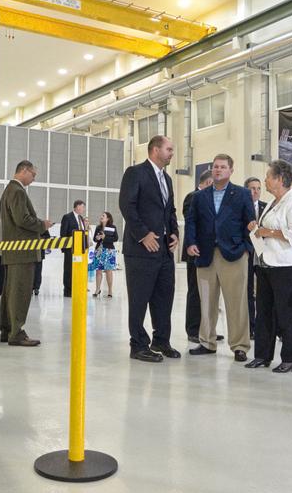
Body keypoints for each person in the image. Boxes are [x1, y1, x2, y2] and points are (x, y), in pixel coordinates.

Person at [185, 154, 257, 362]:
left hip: (234, 254)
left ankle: (240, 346)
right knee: (206, 301)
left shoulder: (242, 194)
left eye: (223, 167)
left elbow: (250, 222)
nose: (218, 170)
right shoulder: (199, 197)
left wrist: (245, 248)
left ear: (231, 171)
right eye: (215, 167)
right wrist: (190, 243)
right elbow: (191, 222)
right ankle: (207, 342)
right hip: (205, 255)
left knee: (236, 302)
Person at [118, 136, 181, 363]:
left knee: (164, 297)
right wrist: (143, 234)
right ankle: (138, 345)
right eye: (169, 149)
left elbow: (170, 210)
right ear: (155, 150)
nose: (172, 153)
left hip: (163, 249)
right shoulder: (135, 173)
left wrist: (174, 233)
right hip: (140, 249)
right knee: (139, 298)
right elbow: (127, 205)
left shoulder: (167, 179)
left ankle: (161, 341)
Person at [246, 159, 292, 372]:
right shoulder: (272, 202)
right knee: (263, 312)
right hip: (266, 263)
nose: (264, 180)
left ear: (280, 179)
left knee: (287, 313)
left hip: (287, 265)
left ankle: (290, 359)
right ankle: (262, 355)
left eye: (268, 176)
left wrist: (267, 232)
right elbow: (265, 229)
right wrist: (257, 227)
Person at [0, 160, 52, 347]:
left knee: (10, 292)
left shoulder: (9, 191)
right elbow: (22, 219)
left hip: (14, 251)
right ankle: (16, 333)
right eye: (33, 174)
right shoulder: (17, 191)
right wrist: (42, 225)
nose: (34, 178)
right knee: (20, 292)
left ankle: (8, 329)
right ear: (23, 170)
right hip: (22, 251)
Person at [182, 170, 220, 344]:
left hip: (211, 252)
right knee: (196, 291)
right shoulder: (193, 197)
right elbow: (194, 223)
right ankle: (193, 329)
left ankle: (208, 330)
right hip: (196, 252)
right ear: (206, 182)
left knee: (210, 294)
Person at [244, 176, 267, 340]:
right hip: (246, 252)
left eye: (258, 188)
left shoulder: (266, 207)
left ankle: (269, 326)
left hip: (264, 252)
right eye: (252, 188)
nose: (256, 191)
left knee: (266, 290)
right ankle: (251, 327)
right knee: (248, 292)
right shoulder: (241, 207)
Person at [59, 199, 87, 297]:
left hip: (80, 249)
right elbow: (63, 233)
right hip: (70, 249)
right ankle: (67, 290)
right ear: (78, 206)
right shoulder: (67, 217)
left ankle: (76, 288)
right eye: (83, 207)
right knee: (68, 269)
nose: (83, 209)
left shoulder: (81, 218)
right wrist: (64, 248)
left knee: (77, 269)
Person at [91, 210, 118, 298]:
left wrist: (105, 237)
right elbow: (95, 239)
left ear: (108, 218)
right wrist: (97, 238)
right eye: (101, 215)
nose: (101, 217)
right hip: (99, 250)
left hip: (109, 251)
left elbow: (115, 238)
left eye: (103, 216)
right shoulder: (98, 227)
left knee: (108, 271)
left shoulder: (112, 227)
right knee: (98, 270)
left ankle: (110, 291)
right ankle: (97, 289)